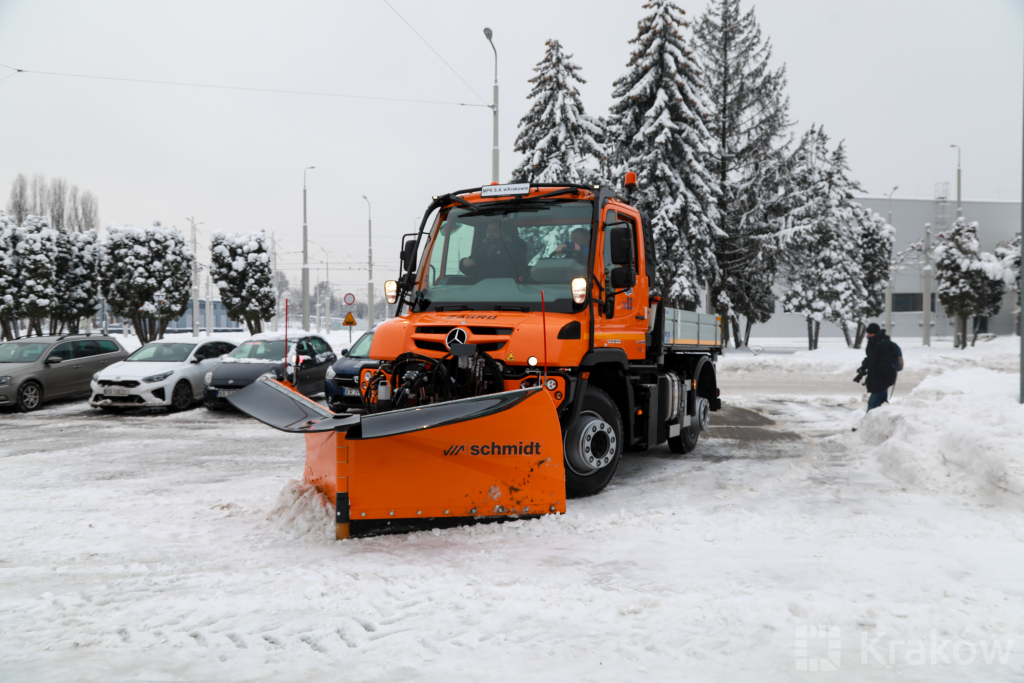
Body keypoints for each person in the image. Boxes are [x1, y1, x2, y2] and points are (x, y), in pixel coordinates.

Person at [459, 220, 527, 282]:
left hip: (505, 288)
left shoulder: (512, 248)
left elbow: (522, 269)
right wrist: (464, 263)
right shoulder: (479, 248)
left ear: (502, 232)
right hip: (480, 289)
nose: (491, 233)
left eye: (494, 230)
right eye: (488, 230)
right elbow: (469, 270)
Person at [855, 322, 897, 412]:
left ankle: (867, 423)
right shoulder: (872, 343)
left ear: (876, 333)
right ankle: (880, 422)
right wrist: (863, 368)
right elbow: (870, 358)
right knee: (882, 404)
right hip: (876, 378)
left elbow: (886, 363)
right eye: (868, 333)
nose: (868, 336)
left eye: (870, 333)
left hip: (882, 379)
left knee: (872, 403)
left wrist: (878, 377)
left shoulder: (885, 344)